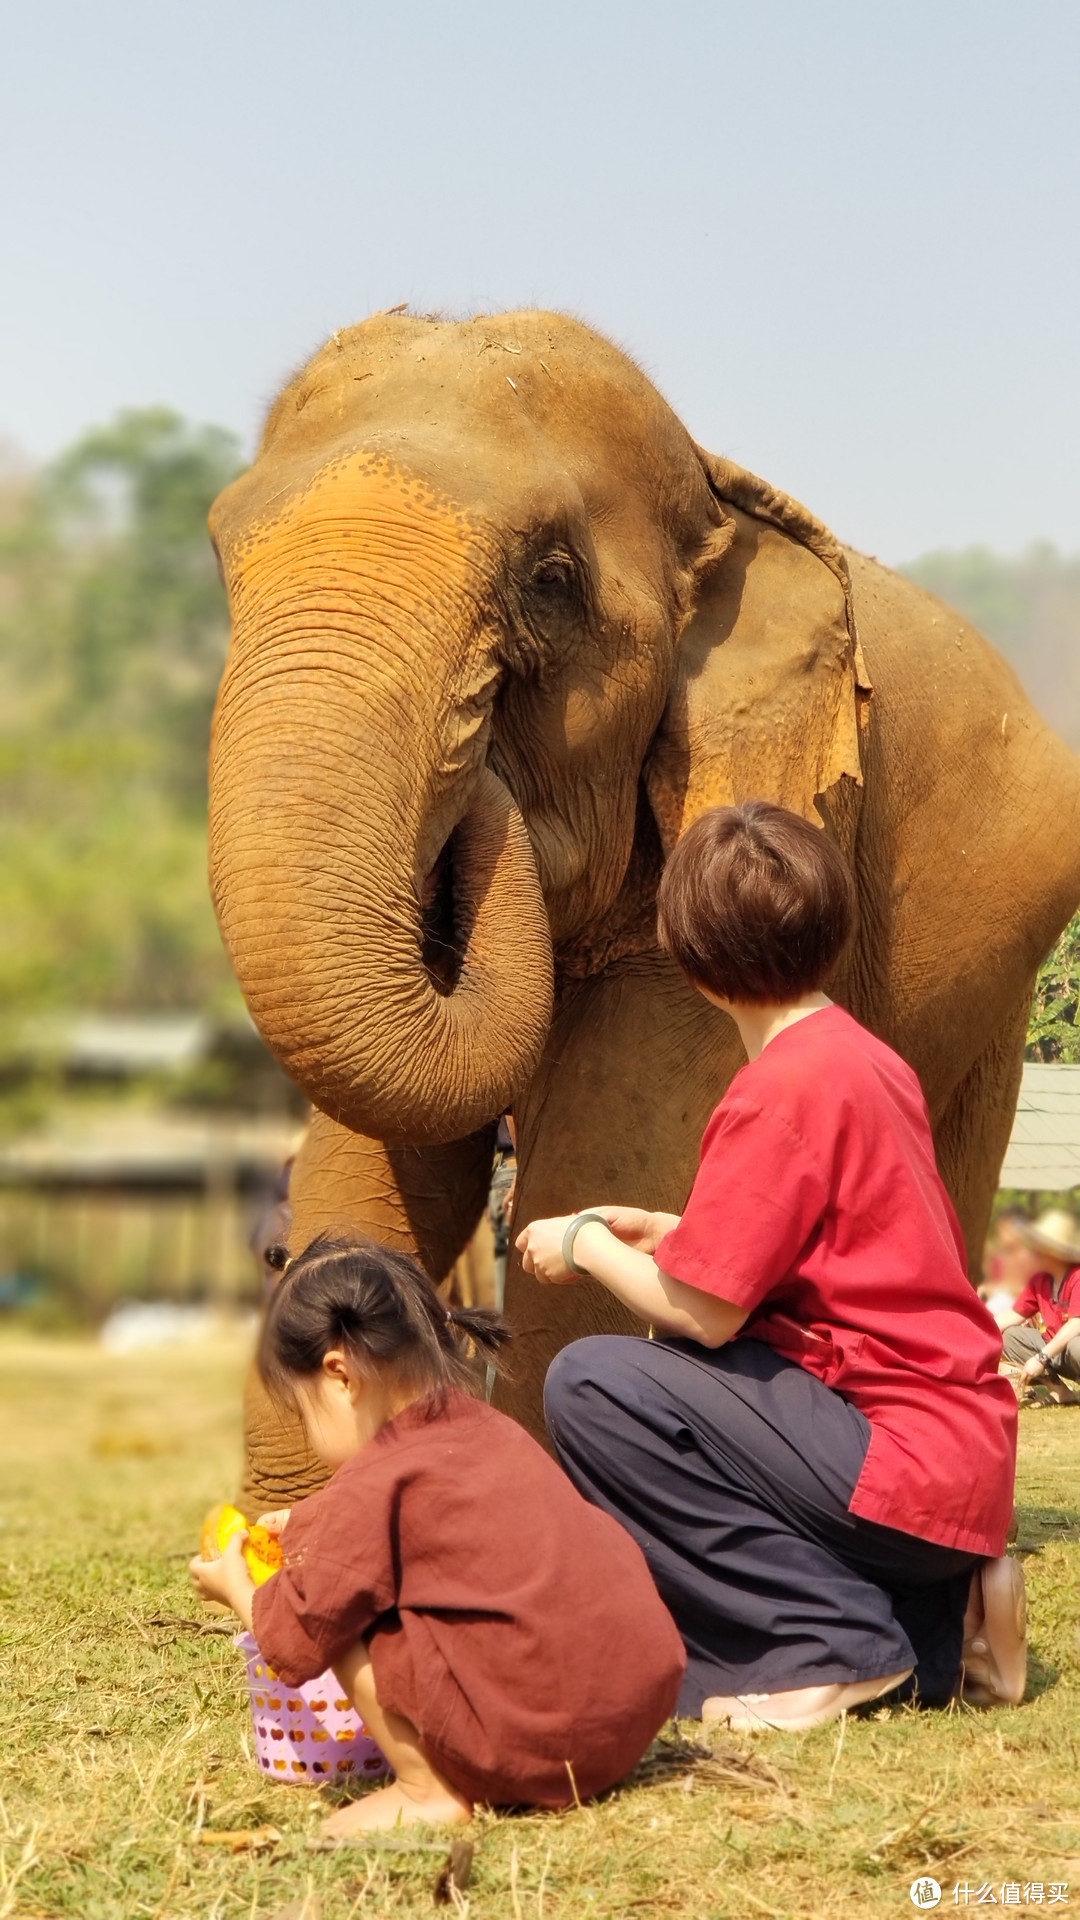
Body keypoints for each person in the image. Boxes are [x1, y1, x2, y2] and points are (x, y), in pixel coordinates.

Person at [520, 800, 1024, 1732]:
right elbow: (844, 1252)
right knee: (678, 1376)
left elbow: (704, 1316)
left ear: (696, 962)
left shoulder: (778, 1090)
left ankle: (825, 1646)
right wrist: (675, 1229)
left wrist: (583, 1240)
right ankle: (940, 1625)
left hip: (895, 1455)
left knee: (597, 1383)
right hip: (955, 1454)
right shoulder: (866, 1062)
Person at [189, 1236, 684, 1832]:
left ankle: (426, 1791)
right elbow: (434, 1520)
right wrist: (314, 1519)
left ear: (340, 1376)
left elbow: (297, 1635)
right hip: (626, 1727)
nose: (307, 1436)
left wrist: (236, 1587)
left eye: (301, 1414)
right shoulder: (490, 1429)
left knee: (337, 1609)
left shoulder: (374, 1478)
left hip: (537, 1749)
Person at [996, 1207, 1080, 1405]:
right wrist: (979, 1331)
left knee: (1076, 1345)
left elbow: (1076, 1324)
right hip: (1057, 1351)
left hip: (1073, 1349)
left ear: (1055, 1251)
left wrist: (1041, 1358)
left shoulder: (1078, 1276)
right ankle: (1060, 1391)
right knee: (1010, 1337)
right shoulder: (1040, 1279)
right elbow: (1015, 1315)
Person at [978, 1208, 1032, 1327]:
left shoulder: (1029, 1258)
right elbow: (991, 1283)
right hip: (997, 1303)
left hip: (1018, 1308)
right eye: (1000, 1230)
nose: (1002, 1235)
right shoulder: (998, 1258)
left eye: (1006, 1230)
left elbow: (1032, 1292)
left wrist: (1007, 1288)